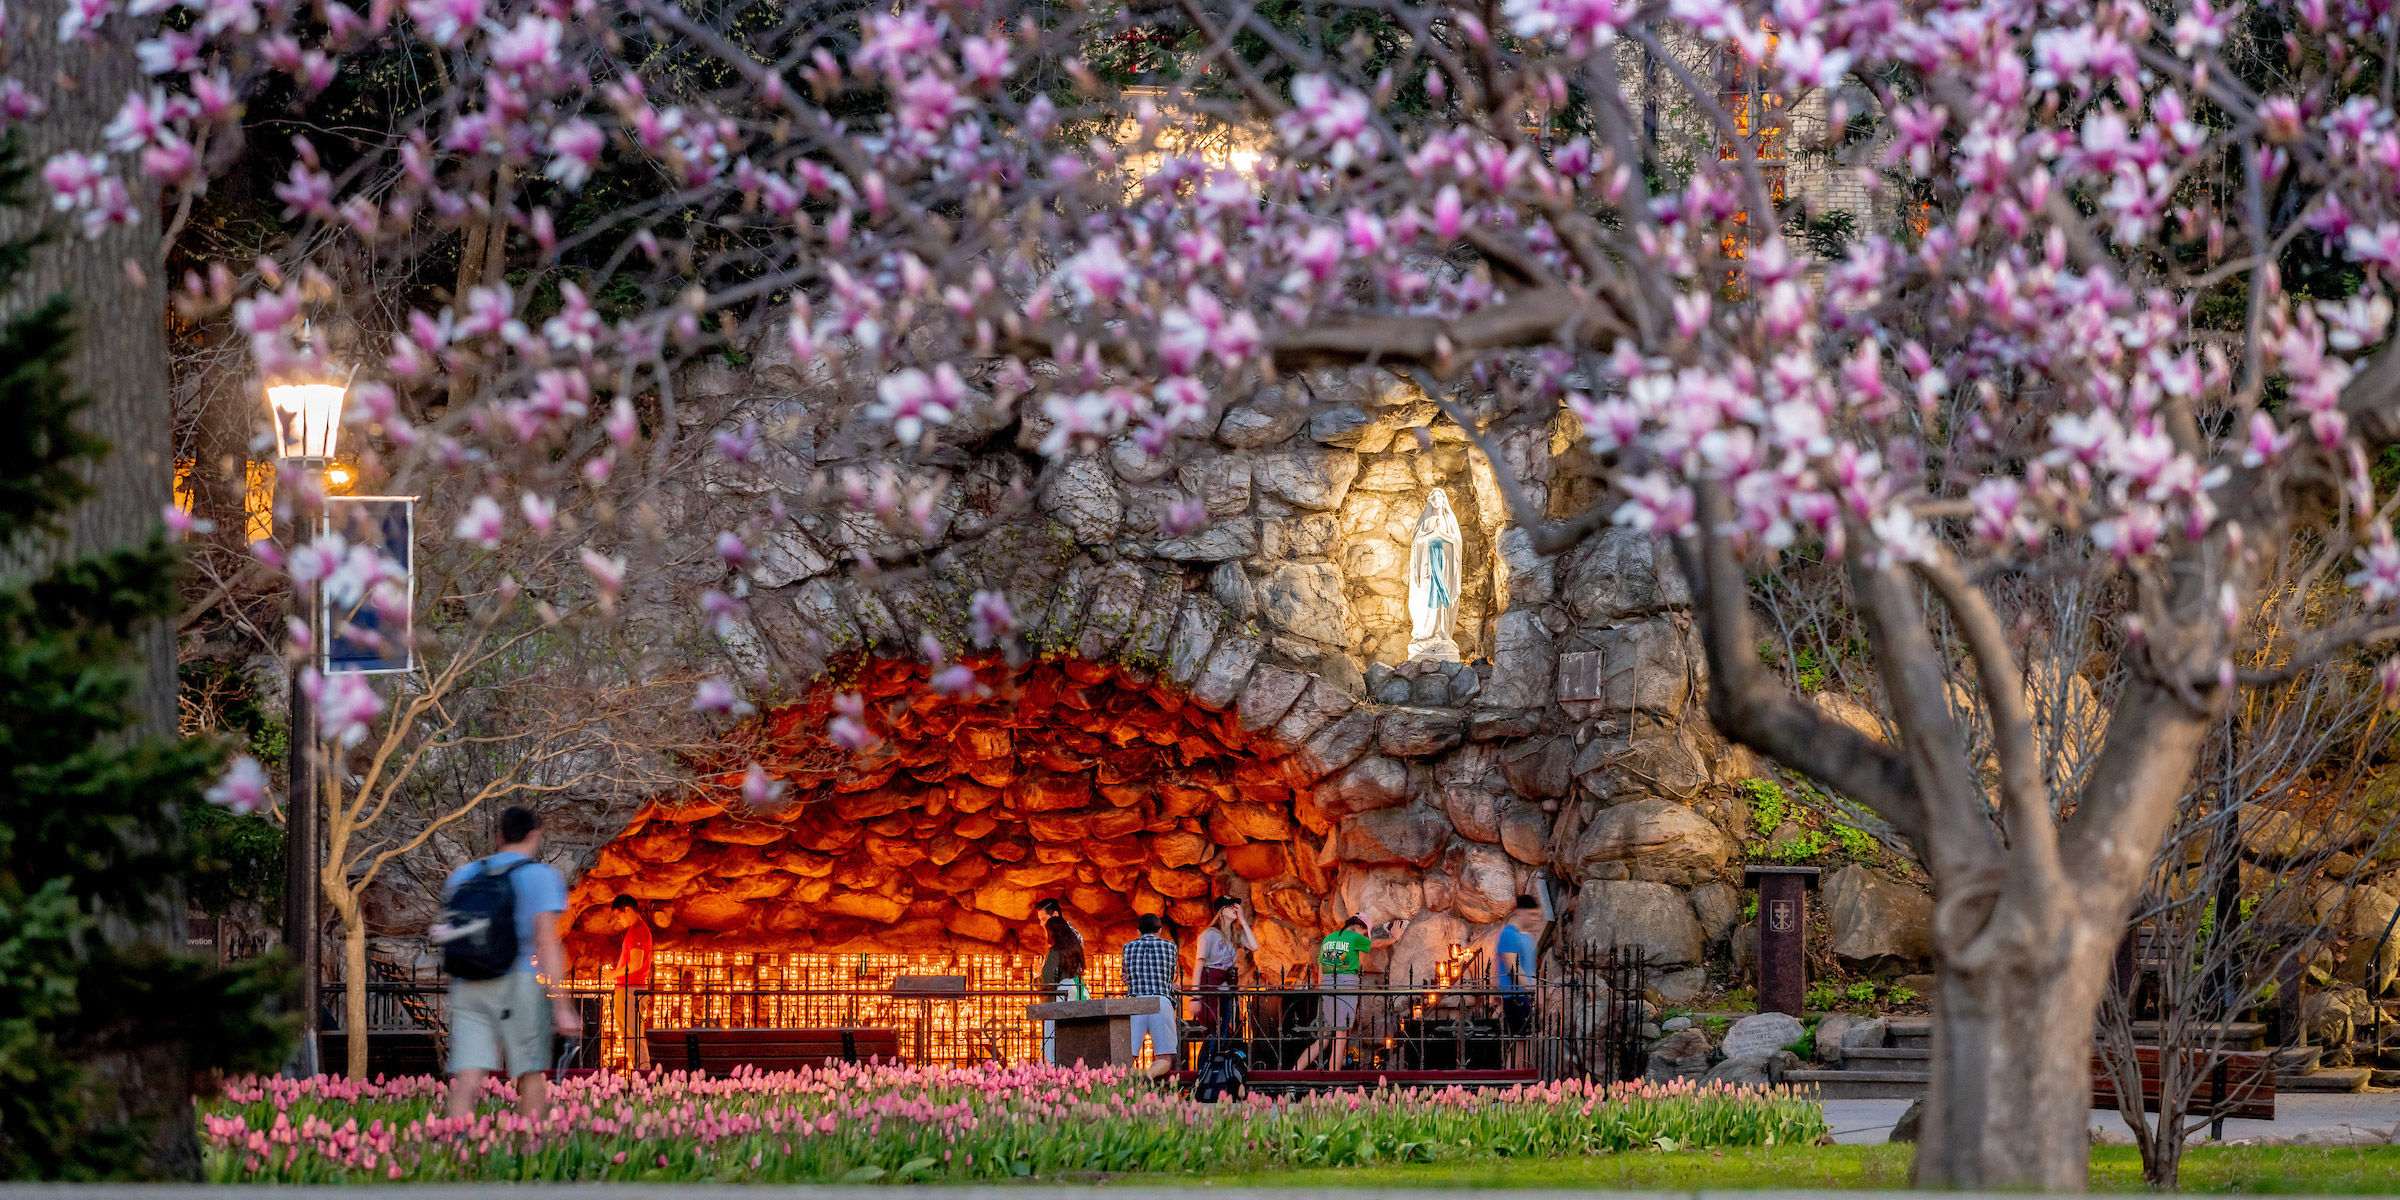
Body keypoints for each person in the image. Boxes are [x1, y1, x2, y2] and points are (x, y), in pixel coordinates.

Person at [441, 806, 579, 1122]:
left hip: (469, 984)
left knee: (467, 1078)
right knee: (530, 1072)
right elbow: (546, 943)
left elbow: (451, 937)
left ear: (499, 836)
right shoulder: (543, 877)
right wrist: (561, 1006)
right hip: (518, 985)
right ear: (534, 835)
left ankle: (452, 1153)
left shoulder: (463, 876)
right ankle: (530, 1152)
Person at [1294, 913, 1405, 1071]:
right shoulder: (1354, 936)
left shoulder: (1328, 939)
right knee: (1340, 1038)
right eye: (1365, 933)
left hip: (1326, 989)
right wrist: (1394, 938)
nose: (1365, 936)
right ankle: (1333, 1085)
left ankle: (1294, 1073)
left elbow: (1320, 968)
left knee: (1322, 1040)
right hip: (1345, 988)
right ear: (1360, 927)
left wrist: (1321, 990)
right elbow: (1376, 944)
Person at [1120, 913, 1179, 1076]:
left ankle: (1132, 1083)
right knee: (1164, 1057)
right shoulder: (1171, 947)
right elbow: (1171, 975)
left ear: (1138, 931)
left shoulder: (1128, 947)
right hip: (1161, 1002)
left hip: (1135, 1003)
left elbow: (1126, 975)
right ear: (1160, 930)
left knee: (1128, 1056)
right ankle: (1149, 1075)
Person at [1191, 896, 1256, 1040]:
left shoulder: (1235, 934)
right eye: (1230, 906)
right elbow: (1199, 966)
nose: (1234, 909)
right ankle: (1207, 1062)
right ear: (1221, 911)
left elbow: (1254, 946)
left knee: (1226, 1030)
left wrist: (1243, 921)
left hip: (1227, 986)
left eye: (1235, 906)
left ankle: (1220, 1060)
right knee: (1212, 1031)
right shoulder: (1208, 935)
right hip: (1209, 985)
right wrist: (1195, 997)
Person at [606, 894, 653, 1069]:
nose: (619, 920)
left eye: (619, 915)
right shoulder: (637, 931)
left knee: (632, 1035)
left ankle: (643, 1074)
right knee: (631, 1035)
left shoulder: (638, 930)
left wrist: (613, 974)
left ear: (627, 910)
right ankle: (641, 1071)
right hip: (630, 989)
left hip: (630, 990)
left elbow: (635, 963)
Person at [1036, 913, 1087, 1063]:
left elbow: (1047, 980)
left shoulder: (1055, 952)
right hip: (1076, 995)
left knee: (1052, 1039)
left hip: (1058, 999)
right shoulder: (1075, 949)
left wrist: (1038, 975)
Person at [1495, 894, 1542, 1047]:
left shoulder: (1526, 936)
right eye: (1532, 914)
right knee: (1521, 1045)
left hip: (1527, 997)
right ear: (1520, 912)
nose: (1535, 919)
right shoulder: (1509, 934)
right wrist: (1531, 990)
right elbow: (1513, 968)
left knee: (1529, 1043)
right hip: (1517, 998)